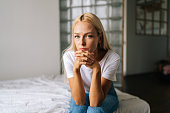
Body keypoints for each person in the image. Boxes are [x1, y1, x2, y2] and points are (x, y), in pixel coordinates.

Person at [63, 13, 120, 113]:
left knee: (95, 111)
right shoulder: (69, 57)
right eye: (77, 36)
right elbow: (79, 101)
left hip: (106, 94)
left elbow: (95, 103)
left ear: (100, 38)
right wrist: (76, 69)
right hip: (82, 92)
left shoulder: (112, 58)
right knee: (77, 110)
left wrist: (96, 69)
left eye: (89, 36)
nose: (81, 43)